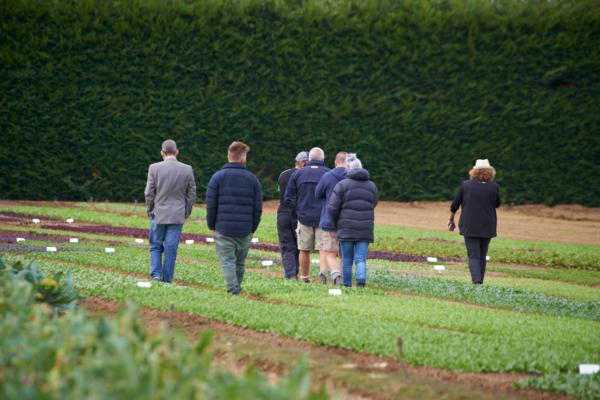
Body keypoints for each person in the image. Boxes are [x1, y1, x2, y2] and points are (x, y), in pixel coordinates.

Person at [205, 141, 263, 295]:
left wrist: (211, 224)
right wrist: (253, 227)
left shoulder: (217, 177)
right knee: (240, 262)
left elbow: (211, 204)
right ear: (243, 157)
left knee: (227, 261)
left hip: (223, 228)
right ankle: (236, 287)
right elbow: (258, 208)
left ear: (228, 156)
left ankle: (233, 289)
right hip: (245, 229)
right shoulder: (253, 179)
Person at [144, 139, 197, 283]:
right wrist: (186, 212)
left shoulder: (154, 168)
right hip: (177, 214)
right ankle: (167, 280)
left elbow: (149, 192)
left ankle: (155, 275)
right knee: (171, 249)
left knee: (155, 246)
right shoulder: (187, 169)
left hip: (158, 213)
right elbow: (192, 195)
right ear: (177, 152)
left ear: (162, 153)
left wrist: (150, 209)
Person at [328, 154, 378, 288]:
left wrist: (336, 223)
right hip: (365, 228)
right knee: (360, 258)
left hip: (346, 227)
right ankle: (361, 281)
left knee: (347, 259)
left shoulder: (342, 185)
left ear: (348, 169)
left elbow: (332, 208)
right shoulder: (371, 186)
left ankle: (347, 285)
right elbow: (374, 203)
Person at [448, 159, 500, 284]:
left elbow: (455, 204)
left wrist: (451, 219)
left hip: (469, 224)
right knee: (482, 255)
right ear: (490, 172)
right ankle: (479, 280)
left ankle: (476, 281)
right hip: (488, 225)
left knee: (473, 254)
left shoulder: (466, 185)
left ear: (474, 171)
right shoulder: (494, 187)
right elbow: (497, 204)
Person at [284, 147, 330, 283]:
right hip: (323, 218)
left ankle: (304, 277)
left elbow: (288, 197)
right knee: (323, 249)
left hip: (303, 217)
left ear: (309, 159)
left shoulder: (298, 174)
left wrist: (297, 211)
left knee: (304, 249)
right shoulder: (328, 174)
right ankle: (322, 275)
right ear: (322, 159)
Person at [314, 151, 347, 285]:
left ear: (335, 162)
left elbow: (317, 194)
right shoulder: (351, 177)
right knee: (344, 253)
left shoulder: (327, 176)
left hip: (329, 219)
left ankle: (334, 275)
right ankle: (343, 276)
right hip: (346, 221)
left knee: (328, 251)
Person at [276, 151, 308, 279]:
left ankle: (290, 274)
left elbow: (279, 192)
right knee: (298, 245)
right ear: (301, 162)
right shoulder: (304, 176)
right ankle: (295, 272)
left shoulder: (283, 175)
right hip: (298, 214)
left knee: (286, 245)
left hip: (282, 213)